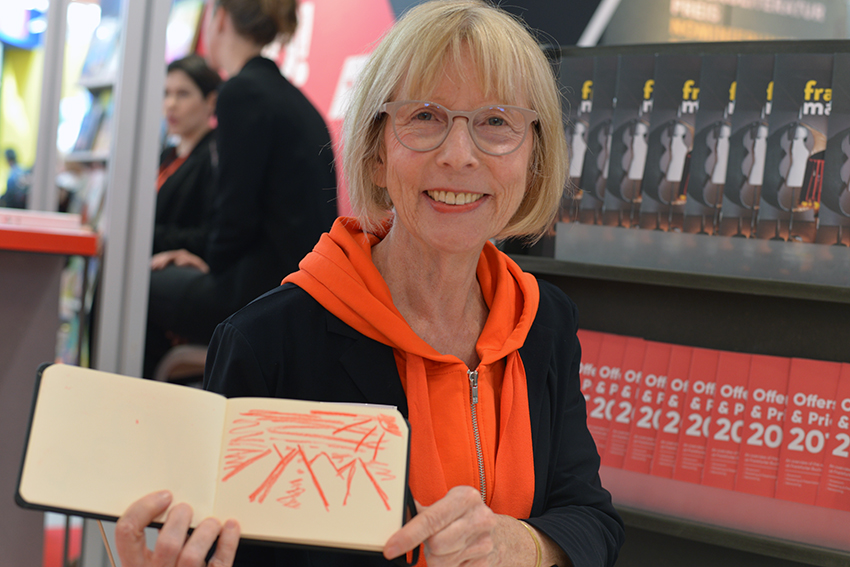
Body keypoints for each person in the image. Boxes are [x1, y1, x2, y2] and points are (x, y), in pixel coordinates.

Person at [119, 1, 624, 566]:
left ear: (533, 159)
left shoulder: (543, 320)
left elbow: (590, 519)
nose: (459, 155)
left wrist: (520, 545)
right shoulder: (270, 343)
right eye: (425, 117)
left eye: (497, 122)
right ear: (377, 152)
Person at [143, 0, 338, 378]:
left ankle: (141, 403)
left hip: (265, 292)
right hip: (300, 286)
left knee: (136, 286)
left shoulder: (242, 92)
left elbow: (235, 215)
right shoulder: (291, 98)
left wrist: (208, 261)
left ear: (219, 19)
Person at [151, 54, 222, 260]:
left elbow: (208, 234)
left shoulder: (215, 157)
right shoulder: (167, 154)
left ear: (211, 101)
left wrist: (147, 235)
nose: (171, 104)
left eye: (183, 94)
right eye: (166, 93)